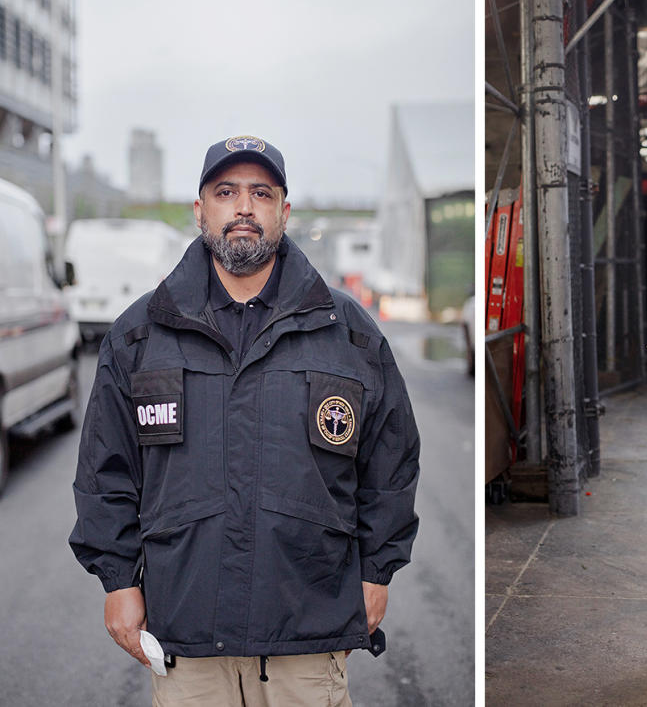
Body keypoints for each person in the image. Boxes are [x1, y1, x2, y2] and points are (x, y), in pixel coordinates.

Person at [70, 135, 419, 707]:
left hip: (307, 632)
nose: (243, 208)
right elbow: (105, 470)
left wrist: (378, 571)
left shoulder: (349, 333)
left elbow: (392, 462)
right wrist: (118, 582)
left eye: (261, 193)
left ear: (284, 211)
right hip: (186, 632)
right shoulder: (140, 335)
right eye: (226, 191)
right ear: (200, 209)